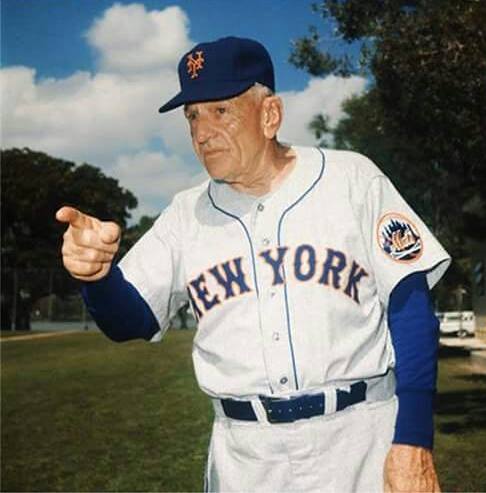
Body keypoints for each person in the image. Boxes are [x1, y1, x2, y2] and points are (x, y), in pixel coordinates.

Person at [56, 36, 450, 492]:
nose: (202, 133)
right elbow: (132, 320)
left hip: (360, 440)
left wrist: (415, 440)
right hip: (246, 456)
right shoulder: (187, 213)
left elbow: (411, 307)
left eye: (220, 111)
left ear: (270, 115)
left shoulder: (352, 179)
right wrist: (97, 277)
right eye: (192, 117)